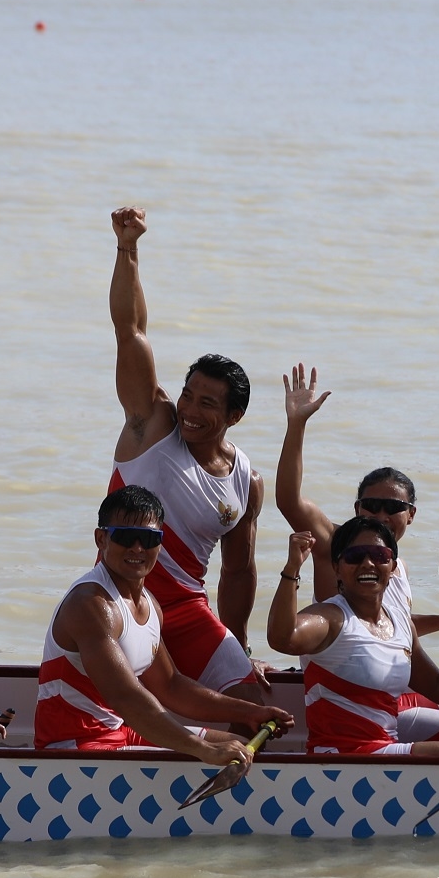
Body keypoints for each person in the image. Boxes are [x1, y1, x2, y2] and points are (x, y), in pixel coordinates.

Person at [276, 363, 439, 745]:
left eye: (392, 508)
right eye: (370, 505)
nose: (380, 515)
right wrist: (297, 426)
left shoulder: (395, 567)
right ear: (357, 509)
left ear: (411, 515)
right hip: (361, 699)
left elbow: (393, 629)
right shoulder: (336, 547)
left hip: (390, 690)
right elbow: (289, 500)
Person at [103, 207, 267, 699]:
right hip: (124, 599)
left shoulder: (246, 480)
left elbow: (238, 571)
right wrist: (128, 247)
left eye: (208, 404)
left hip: (188, 611)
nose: (190, 411)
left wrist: (238, 644)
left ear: (234, 417)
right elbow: (130, 332)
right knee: (142, 711)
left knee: (252, 704)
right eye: (188, 394)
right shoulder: (152, 427)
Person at [36, 484, 287, 764]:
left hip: (123, 733)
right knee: (226, 754)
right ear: (101, 539)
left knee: (245, 746)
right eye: (126, 536)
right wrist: (203, 750)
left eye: (149, 538)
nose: (138, 548)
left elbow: (170, 686)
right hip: (73, 747)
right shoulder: (91, 605)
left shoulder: (150, 604)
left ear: (161, 542)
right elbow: (126, 699)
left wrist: (249, 712)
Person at [267, 520, 439, 757]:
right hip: (346, 752)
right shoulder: (331, 618)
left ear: (392, 566)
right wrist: (291, 569)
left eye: (379, 554)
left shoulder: (398, 619)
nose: (368, 563)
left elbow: (435, 683)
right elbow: (282, 638)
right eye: (355, 556)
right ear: (337, 568)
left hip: (388, 735)